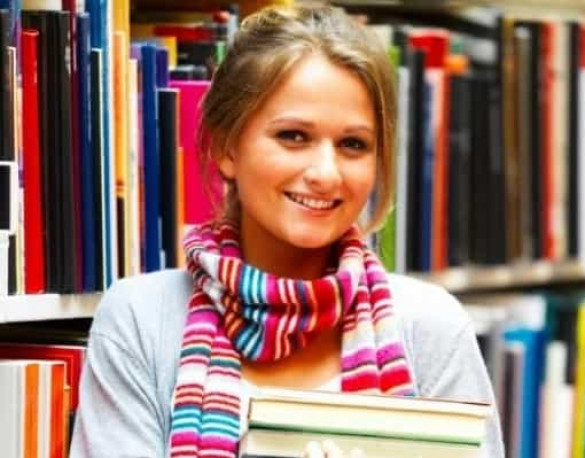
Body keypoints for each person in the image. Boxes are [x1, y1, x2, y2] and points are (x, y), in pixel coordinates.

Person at [70, 5, 503, 457]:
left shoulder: (433, 327)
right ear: (226, 147)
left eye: (353, 144)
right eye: (293, 136)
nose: (325, 173)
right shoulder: (140, 319)